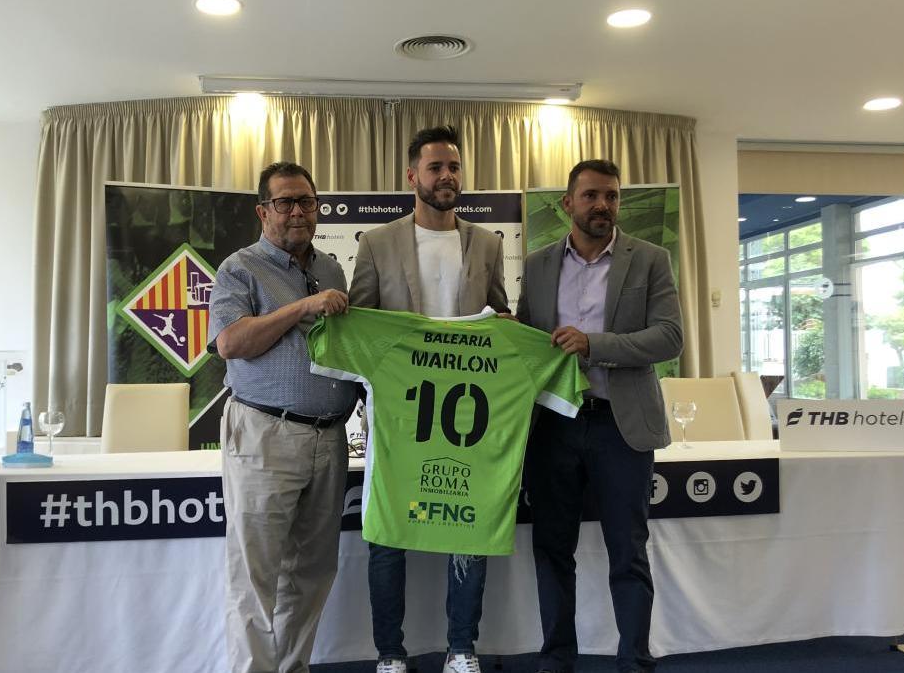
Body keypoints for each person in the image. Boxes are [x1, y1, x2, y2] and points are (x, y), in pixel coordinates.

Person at [349, 125, 509, 673]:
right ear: (412, 175)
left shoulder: (487, 244)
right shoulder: (376, 243)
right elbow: (360, 330)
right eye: (436, 167)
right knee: (387, 533)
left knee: (470, 525)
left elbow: (501, 324)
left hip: (469, 418)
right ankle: (389, 654)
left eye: (455, 167)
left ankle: (461, 649)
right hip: (397, 419)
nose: (447, 176)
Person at [516, 159, 683, 673]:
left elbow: (670, 337)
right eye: (590, 195)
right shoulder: (540, 263)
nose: (602, 205)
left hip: (621, 425)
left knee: (628, 552)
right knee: (552, 548)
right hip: (554, 425)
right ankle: (556, 659)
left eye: (610, 196)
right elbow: (529, 337)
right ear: (567, 203)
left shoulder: (650, 259)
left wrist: (596, 345)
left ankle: (634, 660)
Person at [207, 161, 356, 673]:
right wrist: (300, 308)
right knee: (256, 577)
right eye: (285, 202)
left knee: (311, 574)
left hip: (329, 439)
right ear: (262, 211)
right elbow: (231, 343)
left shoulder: (334, 269)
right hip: (265, 433)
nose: (298, 212)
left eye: (307, 202)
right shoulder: (239, 268)